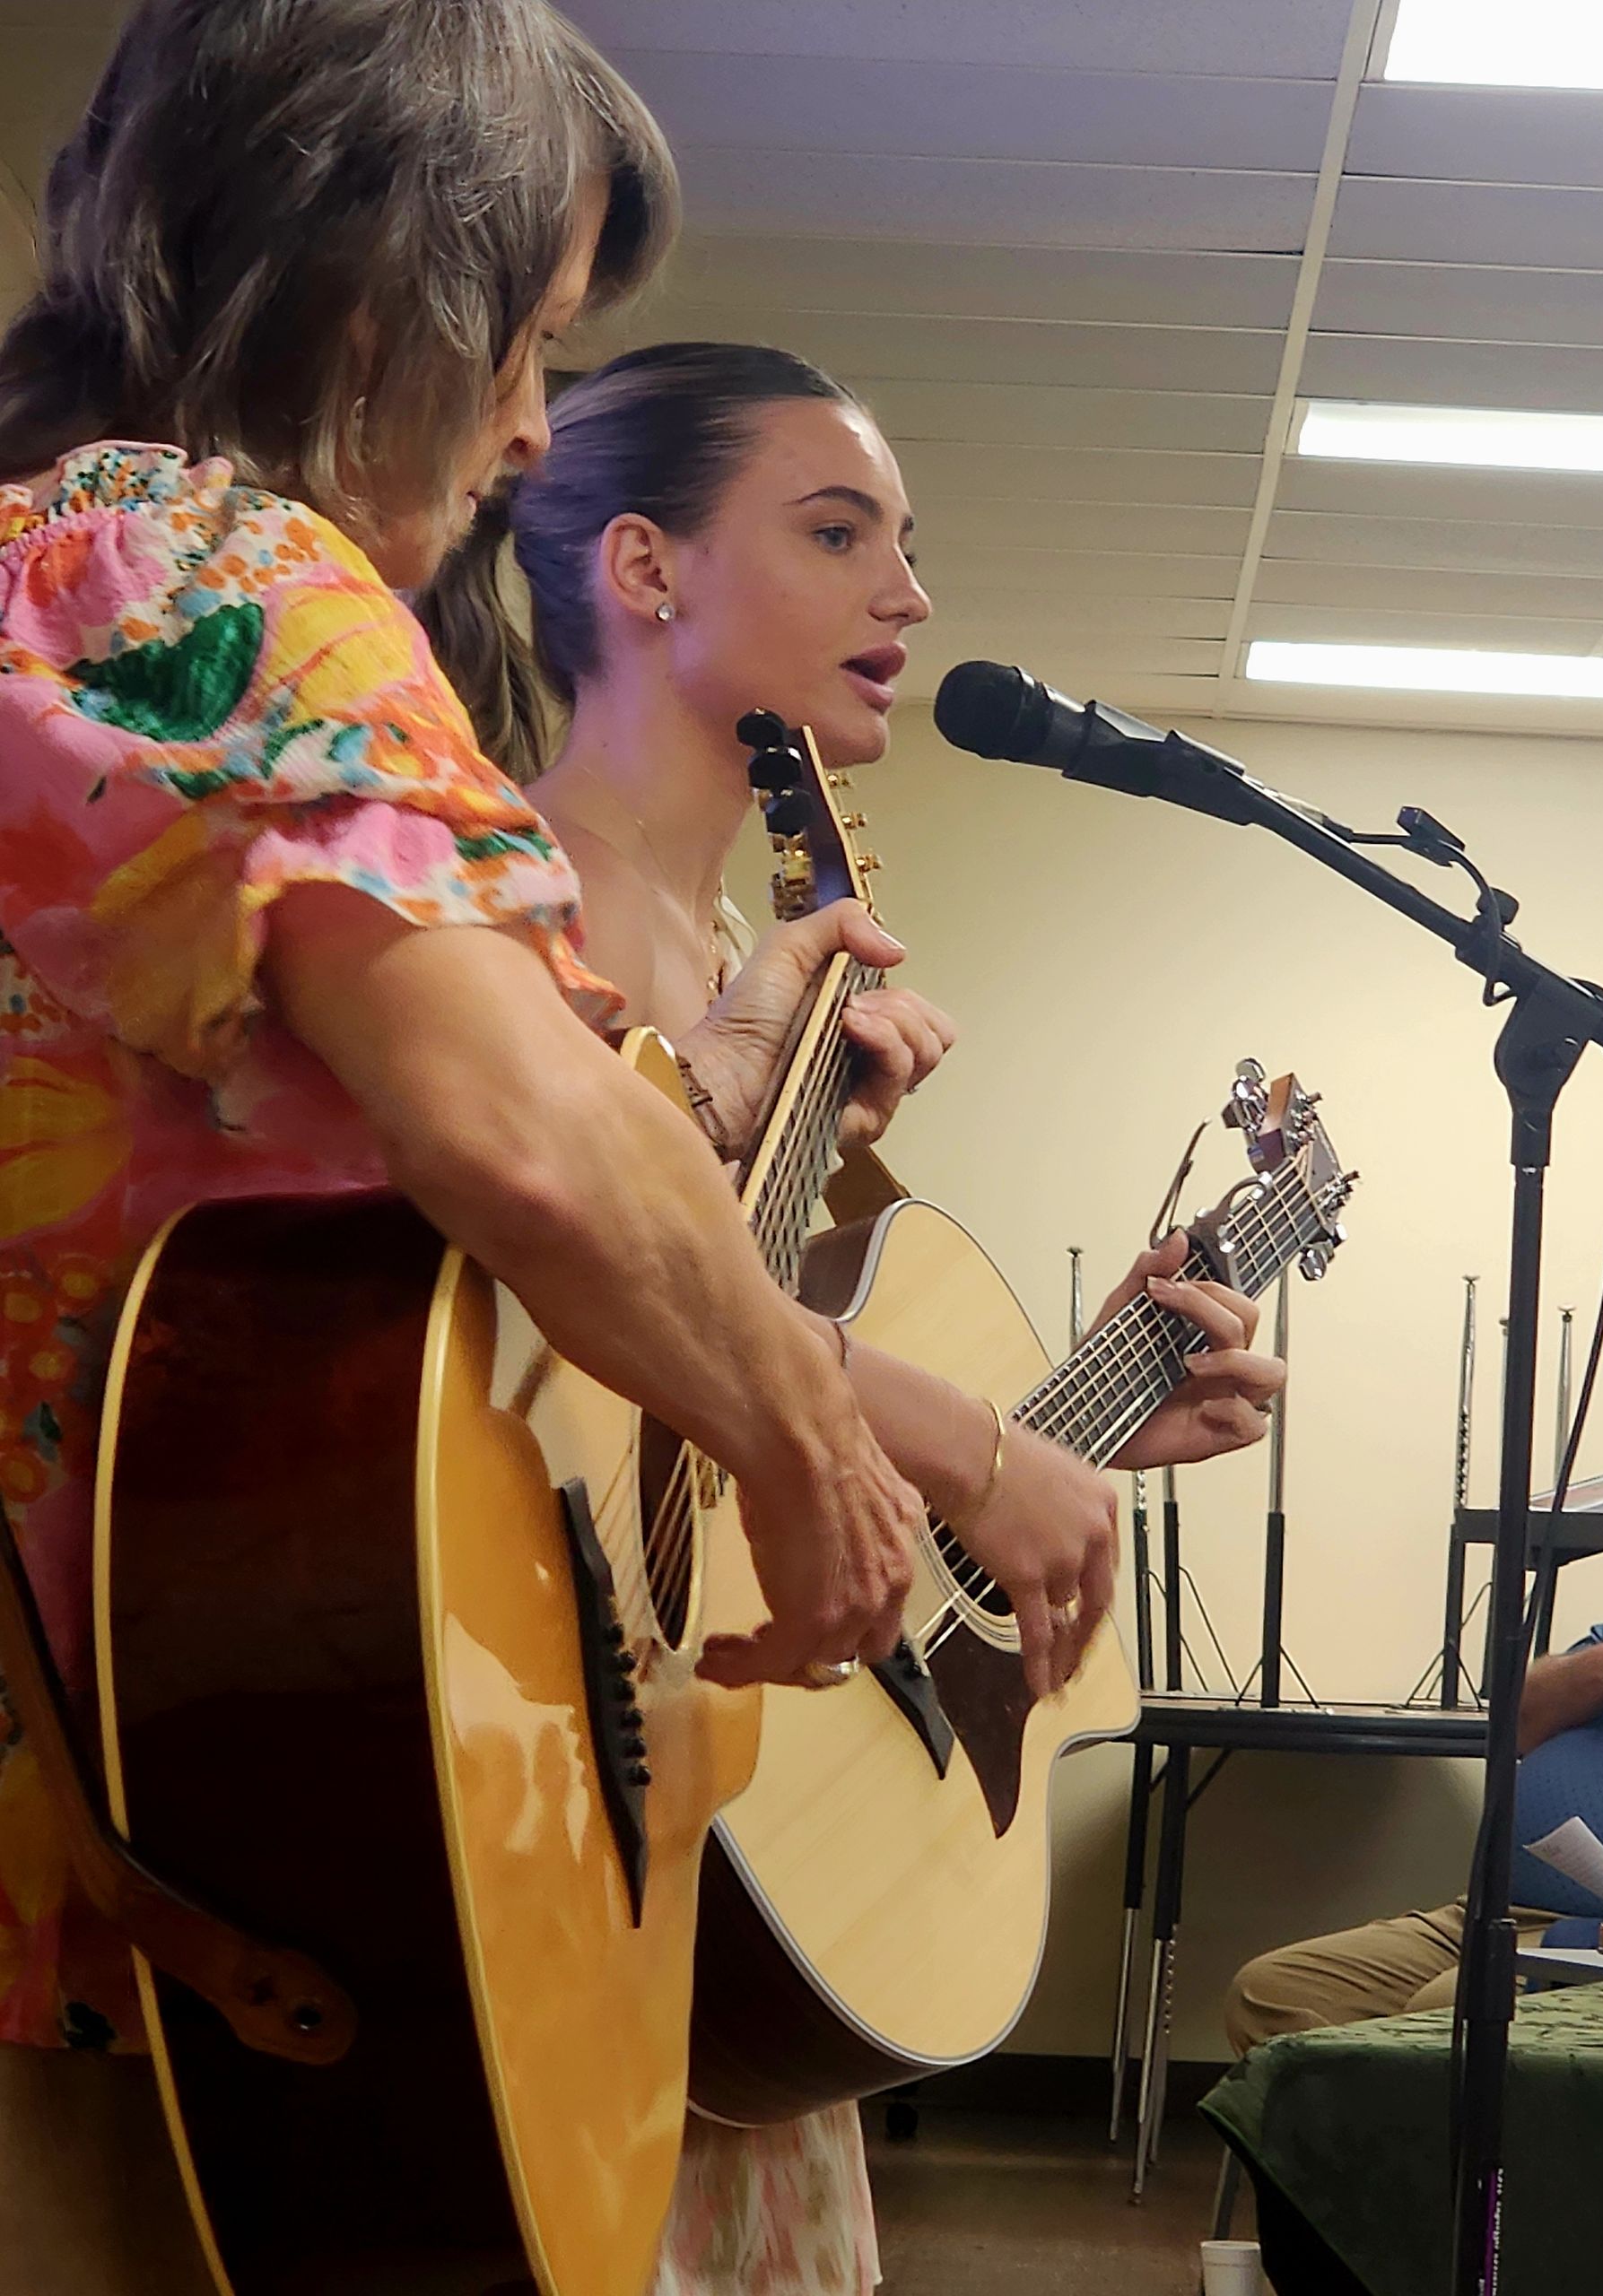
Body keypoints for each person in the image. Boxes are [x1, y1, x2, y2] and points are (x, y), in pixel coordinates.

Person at [0, 7, 1129, 2291]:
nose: (528, 419)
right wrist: (812, 1431)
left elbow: (490, 1191)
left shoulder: (87, 569)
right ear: (371, 291)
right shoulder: (203, 551)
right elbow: (516, 1135)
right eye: (524, 337)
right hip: (140, 1836)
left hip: (214, 1807)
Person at [421, 337, 1291, 2296]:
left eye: (909, 543)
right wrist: (959, 1432)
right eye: (840, 532)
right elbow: (518, 1322)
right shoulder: (473, 903)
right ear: (642, 569)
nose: (910, 595)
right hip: (508, 1806)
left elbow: (715, 1427)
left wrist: (1075, 1428)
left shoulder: (754, 963)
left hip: (716, 1846)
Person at [1224, 1556, 1603, 2053]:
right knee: (1274, 1993)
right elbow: (1517, 1724)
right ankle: (1397, 2132)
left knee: (1447, 2008)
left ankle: (1427, 2128)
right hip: (1500, 1915)